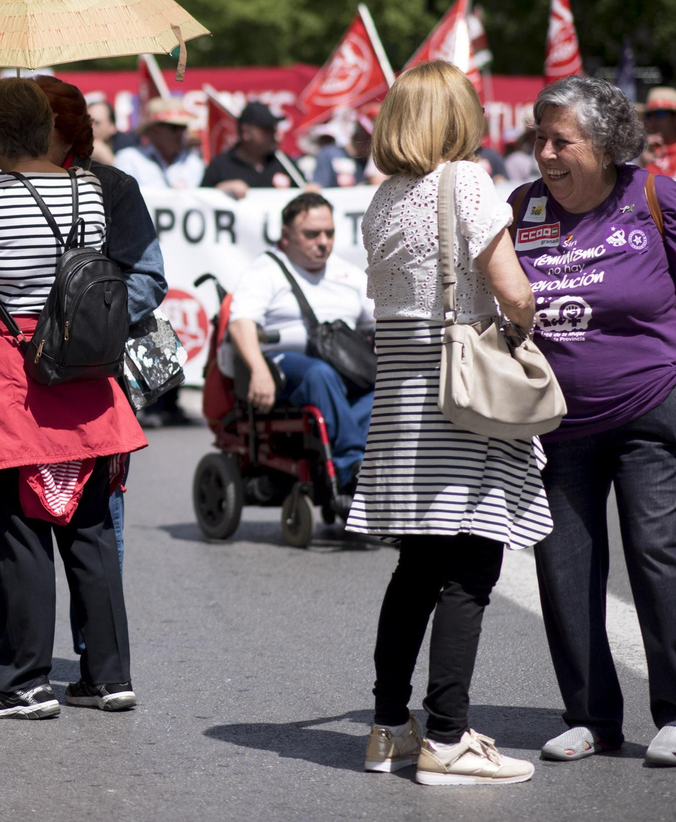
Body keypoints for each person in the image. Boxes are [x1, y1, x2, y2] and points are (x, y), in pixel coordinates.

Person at [514, 76, 676, 768]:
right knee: (564, 568)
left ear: (606, 145)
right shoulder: (522, 207)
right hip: (556, 425)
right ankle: (590, 717)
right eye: (538, 138)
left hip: (653, 411)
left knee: (658, 554)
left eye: (561, 140)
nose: (544, 153)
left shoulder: (652, 195)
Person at [348, 60, 545, 786]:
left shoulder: (381, 200)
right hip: (462, 405)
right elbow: (510, 291)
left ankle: (388, 728)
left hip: (403, 408)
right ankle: (450, 738)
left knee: (416, 570)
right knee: (470, 570)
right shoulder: (464, 181)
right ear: (456, 118)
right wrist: (528, 324)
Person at [0, 77, 146, 720]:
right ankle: (108, 677)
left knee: (21, 529)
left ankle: (23, 681)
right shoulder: (90, 191)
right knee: (89, 527)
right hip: (82, 372)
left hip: (12, 379)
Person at [224, 192, 375, 496]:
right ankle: (351, 466)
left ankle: (362, 461)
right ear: (286, 234)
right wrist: (257, 370)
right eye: (312, 234)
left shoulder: (348, 274)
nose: (323, 242)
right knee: (319, 373)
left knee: (385, 386)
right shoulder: (265, 270)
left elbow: (375, 323)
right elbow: (240, 323)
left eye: (329, 233)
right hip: (285, 365)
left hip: (344, 366)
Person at [202, 101, 310, 199]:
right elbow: (199, 199)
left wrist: (312, 190)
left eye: (274, 129)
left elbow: (305, 190)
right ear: (246, 132)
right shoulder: (220, 165)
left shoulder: (284, 162)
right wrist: (219, 190)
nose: (274, 135)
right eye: (266, 129)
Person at [115, 97, 206, 190]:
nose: (180, 133)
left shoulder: (193, 162)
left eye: (183, 127)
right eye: (173, 127)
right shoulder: (129, 159)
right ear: (153, 129)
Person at [86, 99, 120, 164]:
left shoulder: (127, 149)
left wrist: (110, 161)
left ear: (112, 127)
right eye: (87, 122)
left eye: (97, 123)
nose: (91, 128)